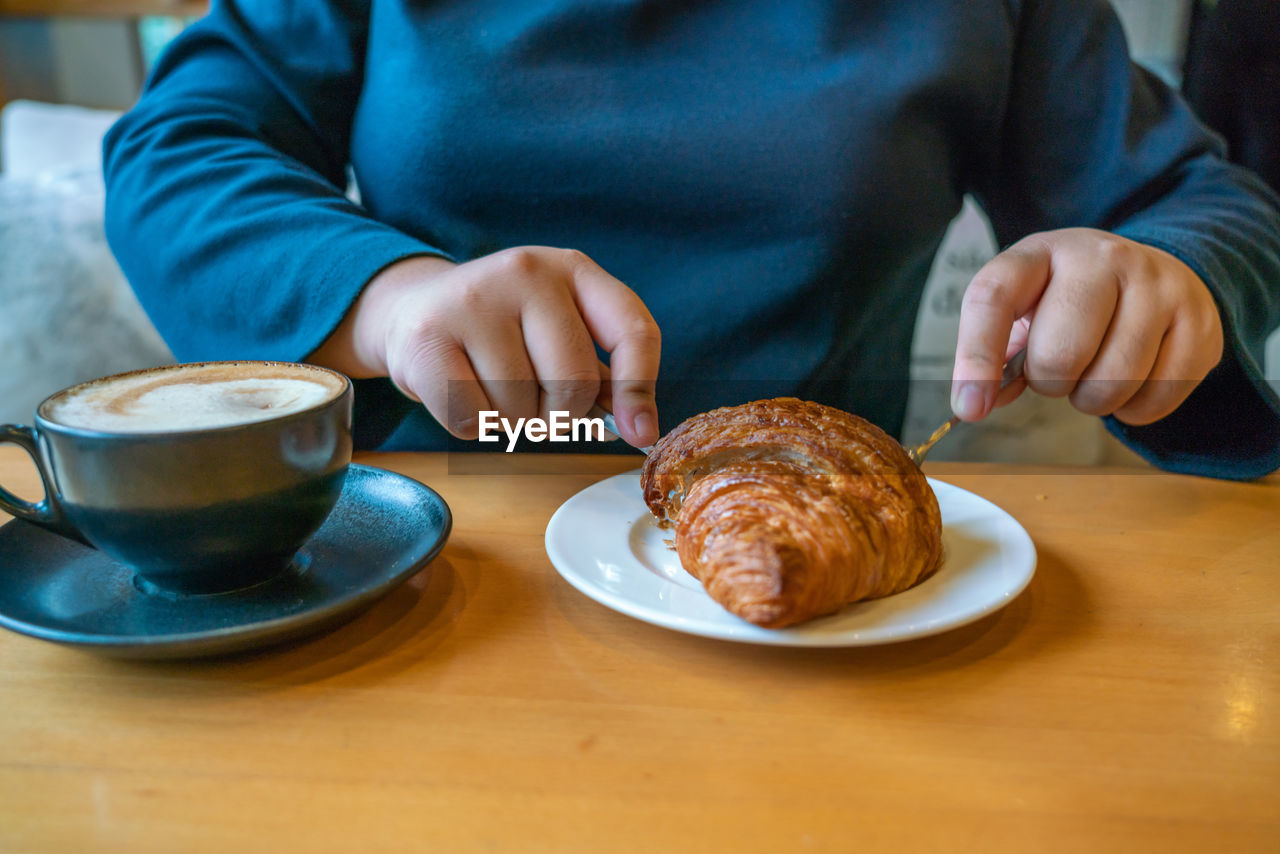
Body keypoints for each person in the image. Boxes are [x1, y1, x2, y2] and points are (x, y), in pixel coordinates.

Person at [102, 0, 1280, 478]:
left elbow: (1205, 203)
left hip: (821, 581)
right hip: (435, 553)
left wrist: (1170, 279)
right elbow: (177, 146)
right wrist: (390, 296)